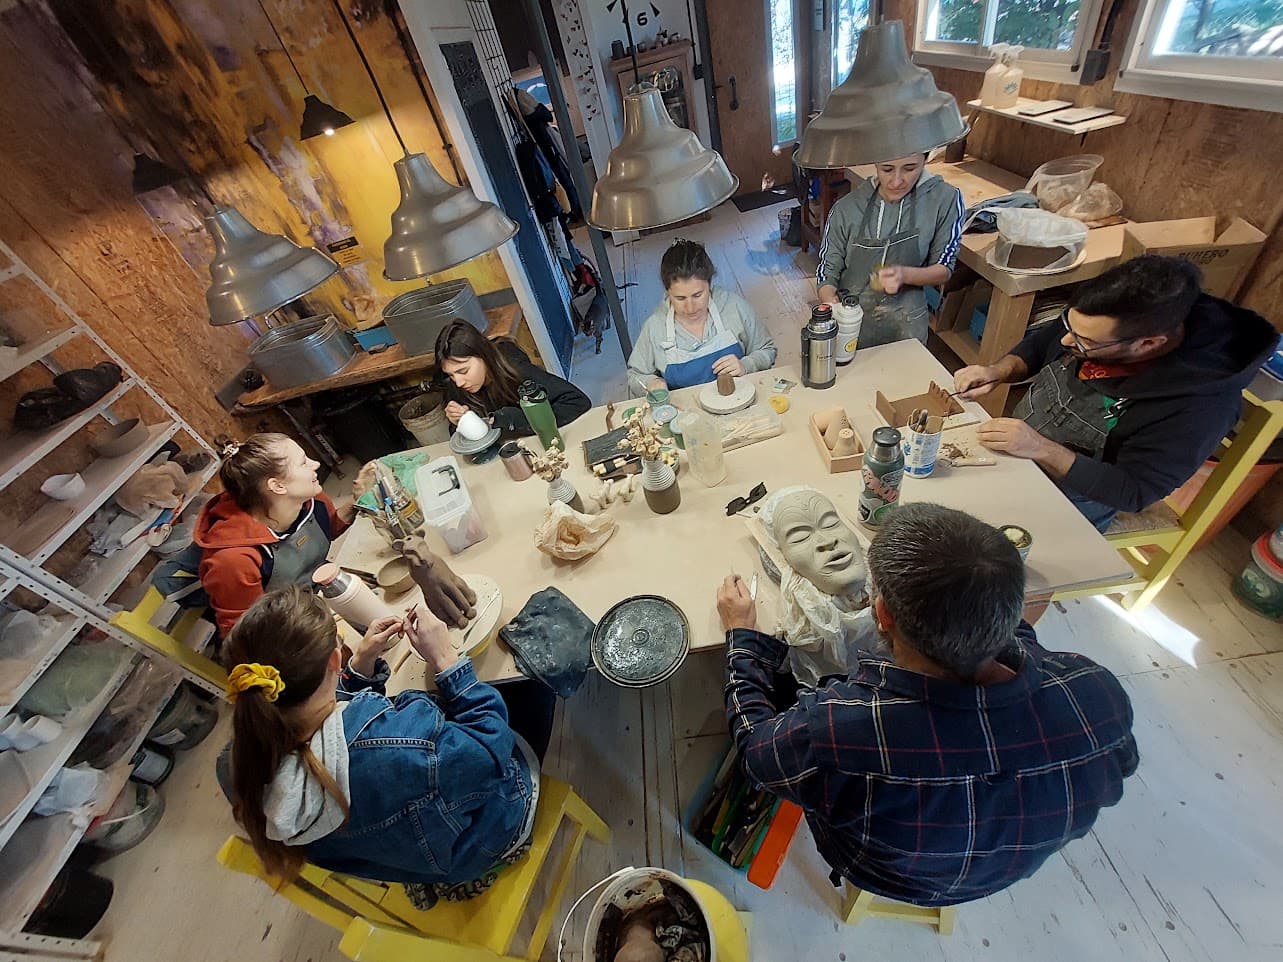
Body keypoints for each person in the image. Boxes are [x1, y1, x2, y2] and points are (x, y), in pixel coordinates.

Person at [718, 503, 1138, 907]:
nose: (827, 544)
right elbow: (1120, 766)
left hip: (885, 872)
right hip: (1004, 871)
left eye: (830, 525)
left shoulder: (840, 730)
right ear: (1013, 608)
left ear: (881, 613)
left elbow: (757, 755)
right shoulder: (1095, 693)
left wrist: (742, 637)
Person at [224, 586, 554, 901]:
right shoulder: (400, 747)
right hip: (490, 833)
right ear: (332, 662)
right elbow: (487, 749)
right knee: (531, 673)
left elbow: (321, 729)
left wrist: (360, 668)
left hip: (411, 861)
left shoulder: (252, 757)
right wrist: (446, 659)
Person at [954, 255, 1279, 531]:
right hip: (1014, 457)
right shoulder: (1103, 318)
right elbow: (1043, 344)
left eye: (1086, 343)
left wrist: (1042, 449)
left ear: (1148, 344)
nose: (1068, 343)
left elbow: (1133, 490)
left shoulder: (1201, 407)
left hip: (1071, 502)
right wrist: (998, 371)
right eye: (1070, 326)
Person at [196, 435, 370, 638]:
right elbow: (244, 634)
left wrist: (358, 500)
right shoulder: (233, 561)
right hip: (286, 630)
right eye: (304, 462)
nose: (316, 464)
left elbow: (323, 530)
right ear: (277, 486)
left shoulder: (308, 499)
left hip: (320, 592)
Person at [816, 153, 964, 349]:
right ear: (875, 163)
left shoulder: (944, 200)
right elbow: (827, 269)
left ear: (925, 159)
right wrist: (832, 304)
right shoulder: (847, 208)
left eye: (910, 168)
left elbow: (944, 268)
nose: (896, 181)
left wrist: (905, 275)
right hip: (851, 326)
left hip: (907, 324)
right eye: (887, 169)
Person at [627, 239, 776, 394]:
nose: (690, 307)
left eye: (697, 295)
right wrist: (652, 382)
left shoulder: (734, 307)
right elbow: (635, 375)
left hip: (739, 404)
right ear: (667, 292)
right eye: (680, 298)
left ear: (709, 284)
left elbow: (766, 349)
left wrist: (747, 365)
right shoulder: (655, 327)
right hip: (684, 413)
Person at [435, 321, 590, 436]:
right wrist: (459, 423)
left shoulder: (516, 370)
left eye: (464, 371)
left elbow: (577, 402)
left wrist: (516, 420)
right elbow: (460, 436)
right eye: (450, 374)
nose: (459, 382)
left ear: (484, 355)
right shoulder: (457, 384)